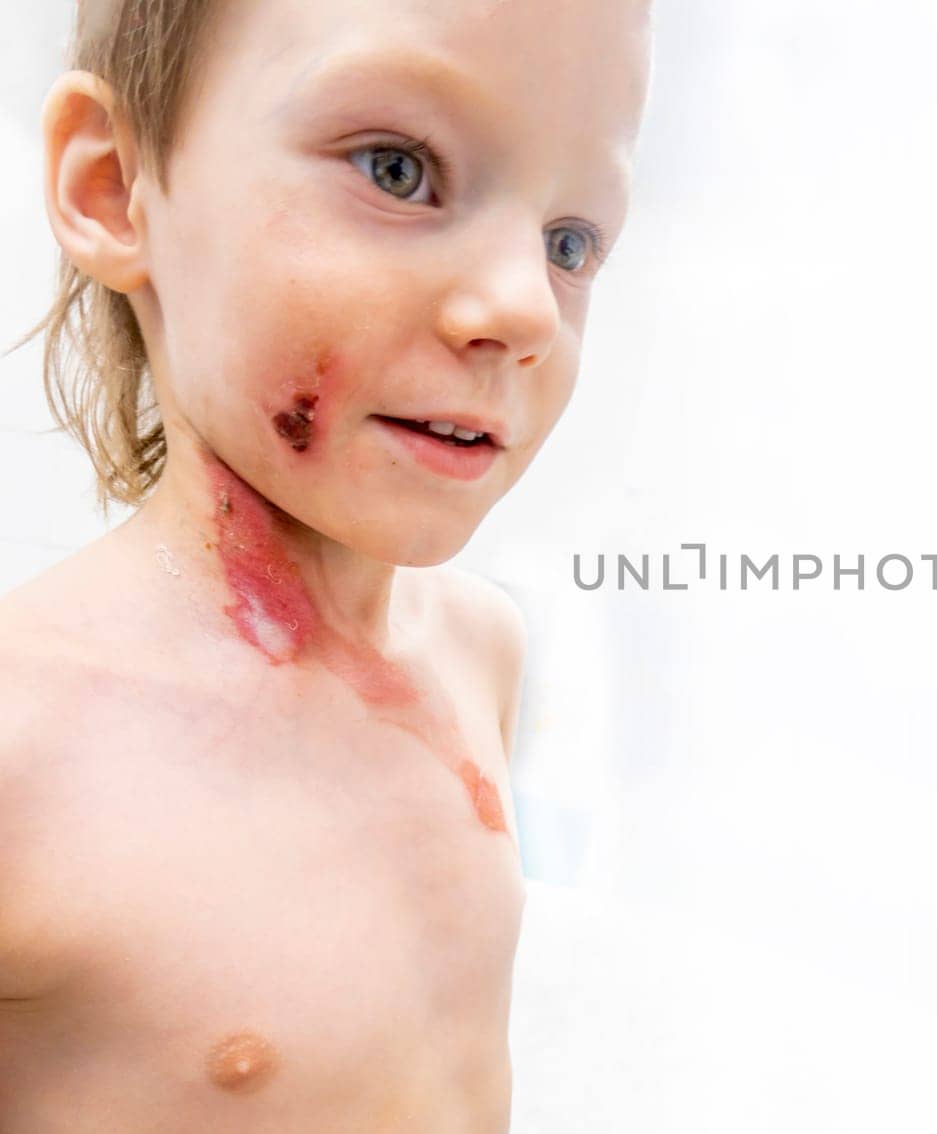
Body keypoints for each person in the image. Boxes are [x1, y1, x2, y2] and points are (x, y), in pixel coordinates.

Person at [0, 0, 651, 1126]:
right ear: (112, 189)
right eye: (398, 170)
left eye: (569, 242)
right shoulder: (29, 757)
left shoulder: (480, 648)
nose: (523, 307)